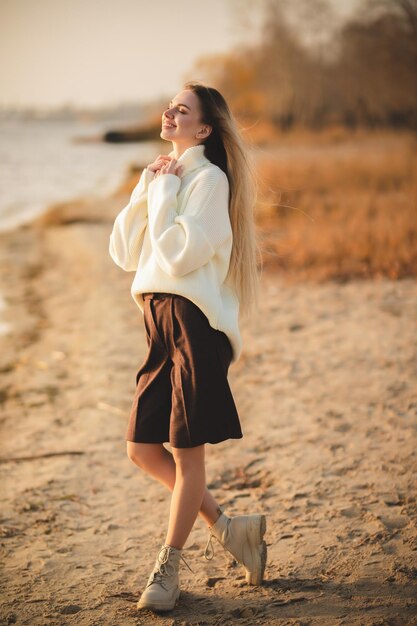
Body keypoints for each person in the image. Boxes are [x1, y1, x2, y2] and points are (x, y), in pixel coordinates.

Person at [108, 81, 266, 612]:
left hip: (195, 325)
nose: (169, 112)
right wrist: (147, 188)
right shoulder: (166, 177)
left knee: (185, 451)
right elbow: (124, 252)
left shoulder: (209, 181)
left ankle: (168, 568)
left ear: (203, 129)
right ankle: (228, 528)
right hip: (156, 321)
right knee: (141, 448)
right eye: (169, 105)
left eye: (182, 108)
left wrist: (167, 194)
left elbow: (178, 257)